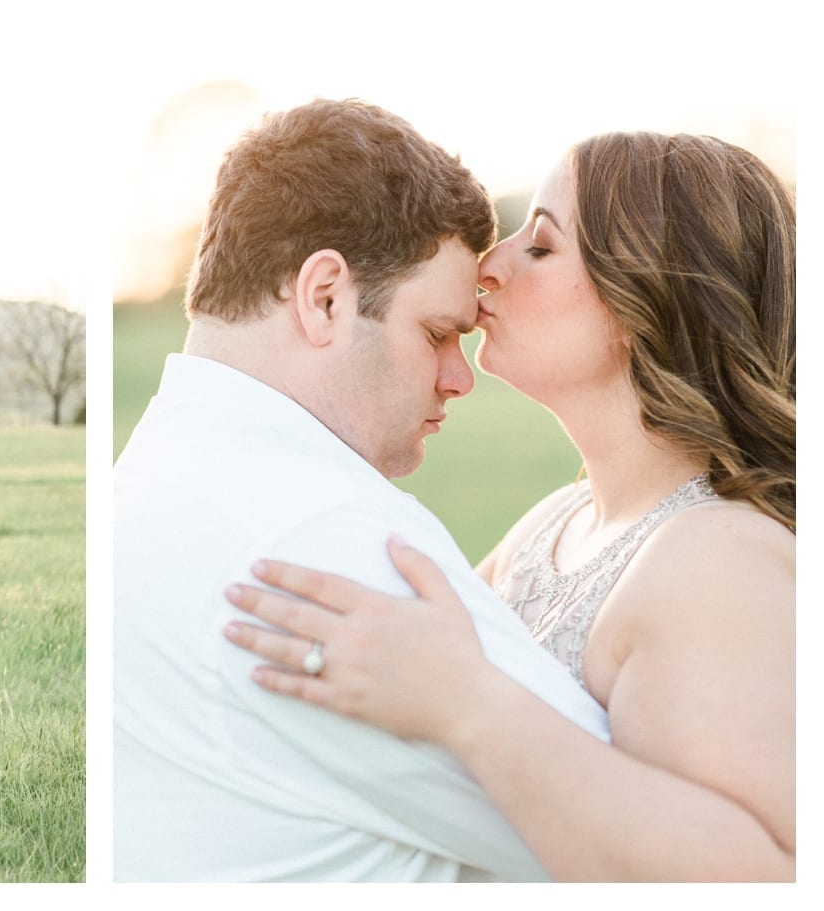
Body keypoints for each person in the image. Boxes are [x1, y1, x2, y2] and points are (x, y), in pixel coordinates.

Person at [223, 131, 796, 881]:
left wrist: (469, 705)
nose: (490, 265)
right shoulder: (553, 524)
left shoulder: (718, 556)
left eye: (543, 245)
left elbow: (771, 873)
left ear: (643, 299)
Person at [113, 98, 613, 882]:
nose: (459, 376)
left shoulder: (144, 487)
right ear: (325, 298)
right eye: (438, 332)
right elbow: (630, 842)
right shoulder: (328, 546)